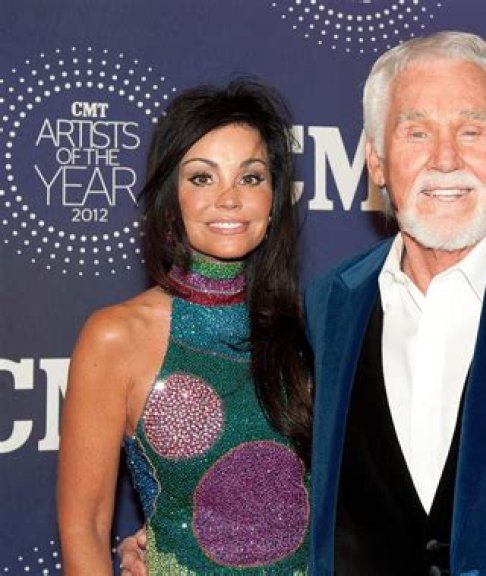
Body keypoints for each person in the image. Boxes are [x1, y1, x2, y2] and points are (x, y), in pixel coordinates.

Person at [120, 31, 486, 575]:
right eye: (416, 132)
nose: (446, 159)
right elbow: (286, 476)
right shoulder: (328, 308)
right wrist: (176, 536)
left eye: (472, 131)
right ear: (377, 163)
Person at [57, 79, 313, 575]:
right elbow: (83, 527)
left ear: (274, 199)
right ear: (170, 198)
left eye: (250, 177)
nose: (229, 199)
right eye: (202, 178)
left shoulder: (313, 329)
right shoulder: (116, 336)